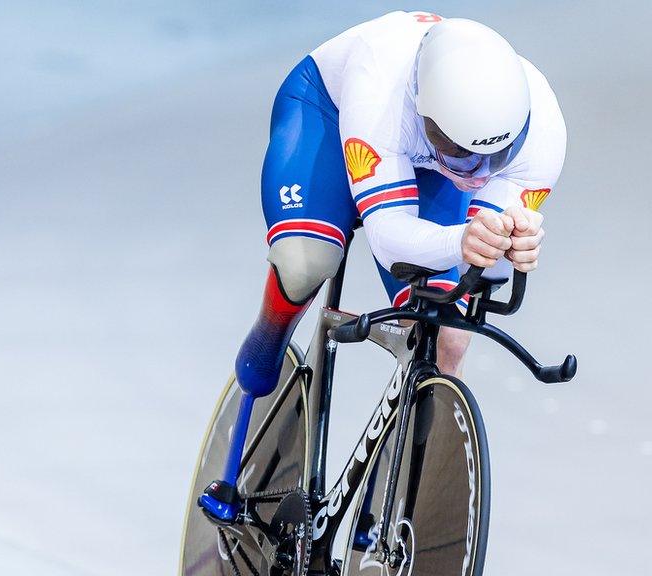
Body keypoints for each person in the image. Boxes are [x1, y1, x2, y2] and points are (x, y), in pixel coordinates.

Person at [200, 11, 566, 520]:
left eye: (495, 160)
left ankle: (388, 517)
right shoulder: (384, 89)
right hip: (327, 118)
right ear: (425, 114)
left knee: (448, 338)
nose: (477, 176)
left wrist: (511, 248)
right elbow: (394, 242)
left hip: (422, 161)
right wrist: (465, 237)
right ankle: (265, 348)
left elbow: (483, 273)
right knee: (306, 262)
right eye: (461, 154)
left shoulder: (542, 128)